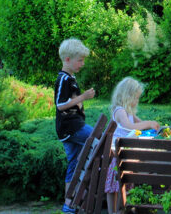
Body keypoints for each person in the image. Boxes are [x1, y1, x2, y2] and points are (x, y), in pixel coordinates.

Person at [105, 77, 160, 214]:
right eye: (135, 98)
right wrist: (148, 123)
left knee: (127, 184)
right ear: (127, 96)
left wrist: (153, 128)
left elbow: (140, 126)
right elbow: (129, 126)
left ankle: (123, 209)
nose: (137, 102)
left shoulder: (129, 113)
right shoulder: (119, 111)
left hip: (128, 154)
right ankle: (113, 211)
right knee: (114, 186)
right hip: (116, 155)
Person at [54, 38, 96, 213]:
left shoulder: (70, 78)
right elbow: (60, 104)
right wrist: (83, 98)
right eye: (80, 60)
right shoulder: (63, 79)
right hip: (71, 126)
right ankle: (95, 186)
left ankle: (69, 204)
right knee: (99, 139)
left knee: (74, 163)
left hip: (70, 127)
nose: (82, 63)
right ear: (67, 59)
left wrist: (78, 103)